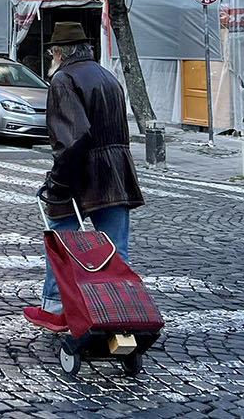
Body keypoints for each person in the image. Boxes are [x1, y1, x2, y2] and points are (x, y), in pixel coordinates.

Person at [27, 20, 145, 326]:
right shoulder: (107, 77)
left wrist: (58, 182)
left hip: (82, 174)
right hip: (115, 174)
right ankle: (120, 311)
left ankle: (55, 308)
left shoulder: (64, 79)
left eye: (53, 52)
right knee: (115, 248)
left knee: (61, 239)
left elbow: (73, 139)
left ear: (59, 53)